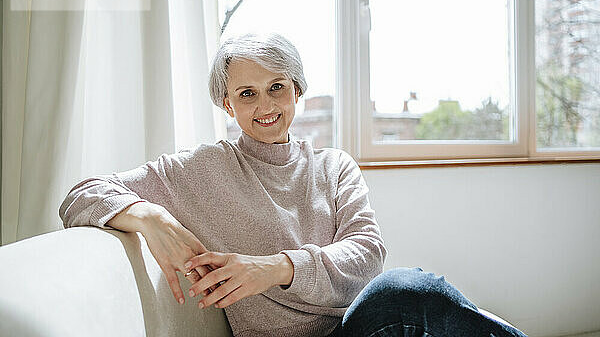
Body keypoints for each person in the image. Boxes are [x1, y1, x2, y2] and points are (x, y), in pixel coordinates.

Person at [59, 32, 528, 337]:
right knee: (407, 293)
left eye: (277, 87)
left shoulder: (335, 166)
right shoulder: (202, 170)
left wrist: (276, 268)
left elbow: (366, 257)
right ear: (228, 104)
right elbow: (80, 195)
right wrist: (150, 215)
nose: (265, 104)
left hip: (357, 329)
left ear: (298, 91)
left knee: (404, 292)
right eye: (246, 93)